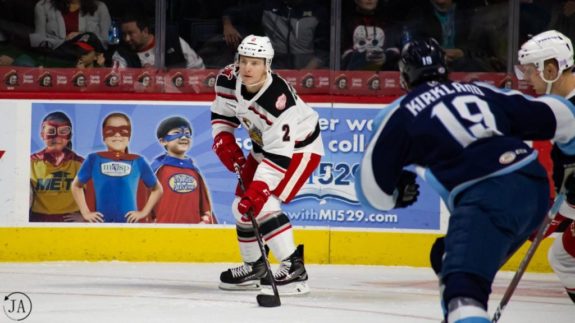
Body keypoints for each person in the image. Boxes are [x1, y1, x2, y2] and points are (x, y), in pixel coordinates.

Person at [355, 38, 575, 322]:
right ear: (445, 69)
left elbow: (371, 192)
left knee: (464, 295)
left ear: (403, 78)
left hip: (484, 197)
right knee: (446, 256)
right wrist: (571, 157)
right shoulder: (480, 90)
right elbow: (564, 115)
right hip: (533, 189)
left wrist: (396, 195)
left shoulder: (399, 113)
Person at [211, 35, 323, 294]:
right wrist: (223, 139)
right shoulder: (227, 78)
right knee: (241, 207)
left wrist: (259, 189)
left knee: (264, 202)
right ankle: (255, 267)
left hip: (298, 149)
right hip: (265, 147)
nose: (248, 68)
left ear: (267, 65)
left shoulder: (278, 99)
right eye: (244, 61)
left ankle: (293, 268)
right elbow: (221, 115)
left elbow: (278, 158)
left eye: (255, 63)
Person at [516, 29, 575, 304]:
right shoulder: (563, 108)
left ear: (551, 68)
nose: (527, 79)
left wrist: (557, 216)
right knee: (564, 256)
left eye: (531, 71)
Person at [71, 112, 163, 223]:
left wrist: (143, 212)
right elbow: (76, 186)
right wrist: (86, 213)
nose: (117, 135)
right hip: (101, 225)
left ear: (129, 136)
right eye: (111, 131)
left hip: (130, 225)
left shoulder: (138, 161)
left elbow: (157, 189)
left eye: (123, 131)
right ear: (103, 136)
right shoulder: (93, 159)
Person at [221, 0, 330, 69]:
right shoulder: (268, 7)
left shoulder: (318, 12)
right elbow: (233, 13)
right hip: (274, 69)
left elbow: (323, 52)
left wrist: (304, 74)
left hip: (308, 72)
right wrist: (227, 25)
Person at [151, 116, 215, 224]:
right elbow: (143, 203)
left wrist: (204, 222)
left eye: (187, 133)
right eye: (177, 132)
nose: (184, 137)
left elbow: (205, 208)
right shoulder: (156, 169)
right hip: (162, 233)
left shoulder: (194, 171)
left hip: (192, 235)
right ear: (162, 141)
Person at [30, 111, 85, 222]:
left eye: (63, 131)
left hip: (70, 222)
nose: (57, 137)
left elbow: (95, 194)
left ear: (70, 136)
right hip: (39, 221)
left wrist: (85, 217)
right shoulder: (30, 163)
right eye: (50, 131)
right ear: (42, 135)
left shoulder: (80, 164)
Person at [111, 13, 205, 69]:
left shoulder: (173, 41)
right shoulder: (121, 54)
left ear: (145, 31)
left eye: (131, 33)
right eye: (124, 34)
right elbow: (118, 81)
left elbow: (198, 69)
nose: (127, 39)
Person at [341, 0, 400, 71]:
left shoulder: (387, 23)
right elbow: (343, 54)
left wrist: (386, 57)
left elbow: (394, 49)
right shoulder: (345, 23)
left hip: (384, 76)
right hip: (354, 76)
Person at [30, 0, 111, 50]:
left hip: (87, 59)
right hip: (56, 56)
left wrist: (82, 36)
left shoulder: (100, 7)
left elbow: (105, 42)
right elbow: (39, 40)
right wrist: (64, 42)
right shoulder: (43, 6)